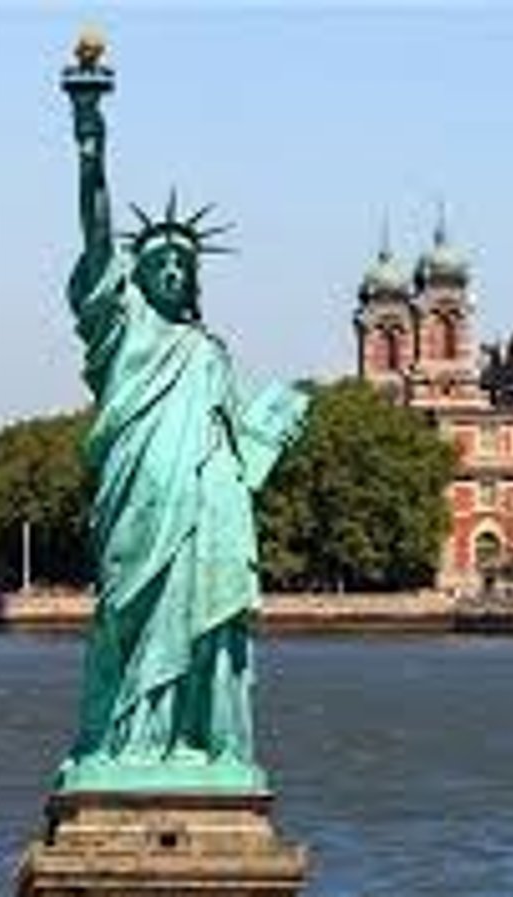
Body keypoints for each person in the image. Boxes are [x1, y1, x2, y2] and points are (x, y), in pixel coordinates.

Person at [57, 35, 306, 792]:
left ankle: (203, 744)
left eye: (182, 263)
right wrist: (90, 141)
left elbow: (240, 448)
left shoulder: (208, 350)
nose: (170, 268)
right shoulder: (120, 325)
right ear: (135, 273)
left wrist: (273, 422)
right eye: (158, 259)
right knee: (129, 619)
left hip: (206, 508)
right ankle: (120, 744)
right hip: (136, 502)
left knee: (207, 622)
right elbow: (95, 236)